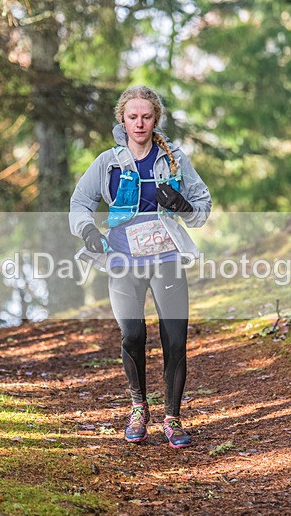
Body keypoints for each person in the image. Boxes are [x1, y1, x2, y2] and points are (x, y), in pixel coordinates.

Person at [69, 85, 211, 448]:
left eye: (146, 116)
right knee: (132, 334)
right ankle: (138, 408)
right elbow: (80, 202)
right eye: (132, 116)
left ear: (155, 119)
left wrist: (182, 205)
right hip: (122, 258)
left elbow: (202, 205)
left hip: (166, 257)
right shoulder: (108, 162)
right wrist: (86, 229)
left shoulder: (174, 157)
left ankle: (173, 418)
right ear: (122, 119)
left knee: (174, 337)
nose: (140, 123)